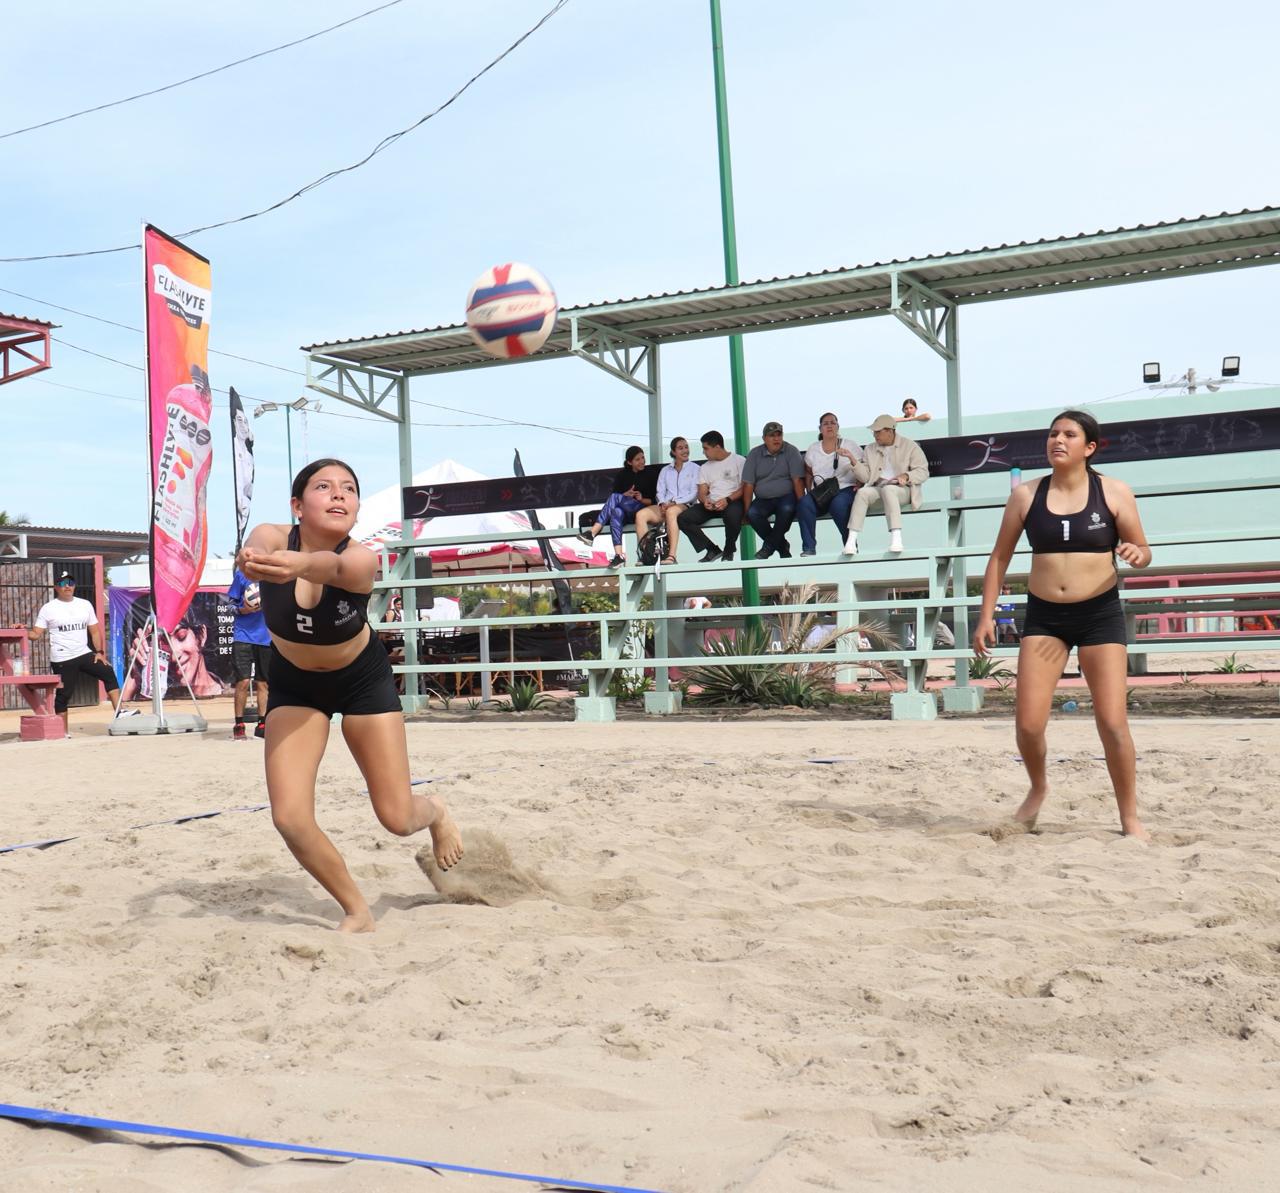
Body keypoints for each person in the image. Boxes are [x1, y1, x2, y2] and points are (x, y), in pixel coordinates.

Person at [237, 457, 463, 933]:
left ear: (357, 509)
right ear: (298, 505)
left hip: (361, 680)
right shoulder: (274, 538)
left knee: (398, 819)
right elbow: (257, 545)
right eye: (324, 487)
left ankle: (436, 809)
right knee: (290, 818)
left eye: (349, 489)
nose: (339, 495)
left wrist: (297, 564)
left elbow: (330, 565)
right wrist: (252, 557)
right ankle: (357, 910)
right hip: (296, 684)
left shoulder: (361, 558)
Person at [973, 410, 1152, 840]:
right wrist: (985, 616)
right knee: (1029, 724)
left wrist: (1135, 554)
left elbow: (1144, 550)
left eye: (1069, 434)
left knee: (1112, 722)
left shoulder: (1114, 492)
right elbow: (1000, 558)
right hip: (1045, 617)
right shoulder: (1025, 496)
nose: (1058, 439)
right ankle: (1038, 787)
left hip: (1099, 615)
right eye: (1054, 433)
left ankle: (1129, 818)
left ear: (1088, 447)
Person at [19, 571, 124, 733]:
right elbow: (35, 635)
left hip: (84, 653)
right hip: (63, 657)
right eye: (62, 583)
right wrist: (22, 630)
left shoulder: (85, 604)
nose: (67, 586)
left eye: (70, 583)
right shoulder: (48, 608)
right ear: (56, 587)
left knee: (108, 671)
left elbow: (95, 631)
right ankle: (63, 732)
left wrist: (100, 652)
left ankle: (120, 716)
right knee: (64, 695)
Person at [843, 414, 930, 556]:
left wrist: (906, 476)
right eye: (874, 432)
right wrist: (853, 461)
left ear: (890, 430)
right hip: (879, 488)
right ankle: (851, 541)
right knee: (862, 493)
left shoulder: (910, 445)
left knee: (889, 490)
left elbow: (923, 471)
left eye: (878, 432)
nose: (875, 435)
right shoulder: (869, 449)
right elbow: (865, 477)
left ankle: (897, 538)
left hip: (904, 490)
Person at [121, 601, 228, 701]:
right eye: (165, 642)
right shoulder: (161, 696)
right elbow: (123, 713)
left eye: (181, 637)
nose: (173, 655)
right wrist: (135, 677)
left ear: (201, 636)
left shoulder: (228, 695)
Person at [795, 412, 863, 556]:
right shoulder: (813, 448)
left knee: (837, 505)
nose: (829, 426)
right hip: (822, 492)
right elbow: (807, 471)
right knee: (804, 503)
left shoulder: (850, 444)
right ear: (820, 429)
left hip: (845, 488)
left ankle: (850, 545)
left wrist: (860, 482)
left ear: (838, 426)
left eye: (833, 422)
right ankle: (809, 548)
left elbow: (862, 465)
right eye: (825, 423)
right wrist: (809, 489)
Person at [578, 445, 656, 568]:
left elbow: (654, 501)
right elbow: (616, 497)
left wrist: (641, 498)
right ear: (630, 462)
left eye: (642, 458)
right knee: (616, 512)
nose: (642, 461)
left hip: (642, 510)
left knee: (615, 497)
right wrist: (626, 495)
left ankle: (593, 532)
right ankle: (619, 555)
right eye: (637, 459)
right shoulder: (622, 475)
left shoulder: (650, 474)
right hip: (625, 512)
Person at [677, 430, 745, 563]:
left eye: (706, 448)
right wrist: (705, 500)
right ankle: (712, 549)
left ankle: (729, 550)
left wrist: (727, 499)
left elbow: (745, 488)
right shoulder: (705, 467)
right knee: (683, 519)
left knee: (733, 515)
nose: (704, 452)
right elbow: (701, 491)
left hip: (732, 501)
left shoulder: (739, 461)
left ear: (717, 447)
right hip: (712, 503)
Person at [742, 420, 805, 559]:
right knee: (753, 514)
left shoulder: (791, 451)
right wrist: (746, 510)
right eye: (772, 435)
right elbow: (748, 484)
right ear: (764, 438)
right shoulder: (754, 454)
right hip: (763, 499)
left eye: (779, 435)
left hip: (787, 496)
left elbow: (797, 480)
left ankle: (768, 547)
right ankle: (782, 545)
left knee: (787, 510)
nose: (776, 438)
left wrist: (802, 504)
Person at [634, 436, 700, 564]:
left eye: (686, 447)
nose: (685, 450)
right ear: (673, 452)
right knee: (640, 515)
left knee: (671, 512)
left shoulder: (695, 468)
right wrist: (663, 503)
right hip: (665, 506)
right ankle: (647, 555)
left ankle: (671, 556)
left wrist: (673, 503)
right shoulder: (665, 470)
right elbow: (660, 491)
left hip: (685, 505)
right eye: (680, 448)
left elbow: (694, 494)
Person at [227, 567, 271, 740]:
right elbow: (229, 605)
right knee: (243, 681)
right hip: (243, 635)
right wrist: (242, 610)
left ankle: (262, 724)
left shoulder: (272, 577)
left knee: (263, 683)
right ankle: (239, 723)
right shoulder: (242, 575)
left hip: (266, 637)